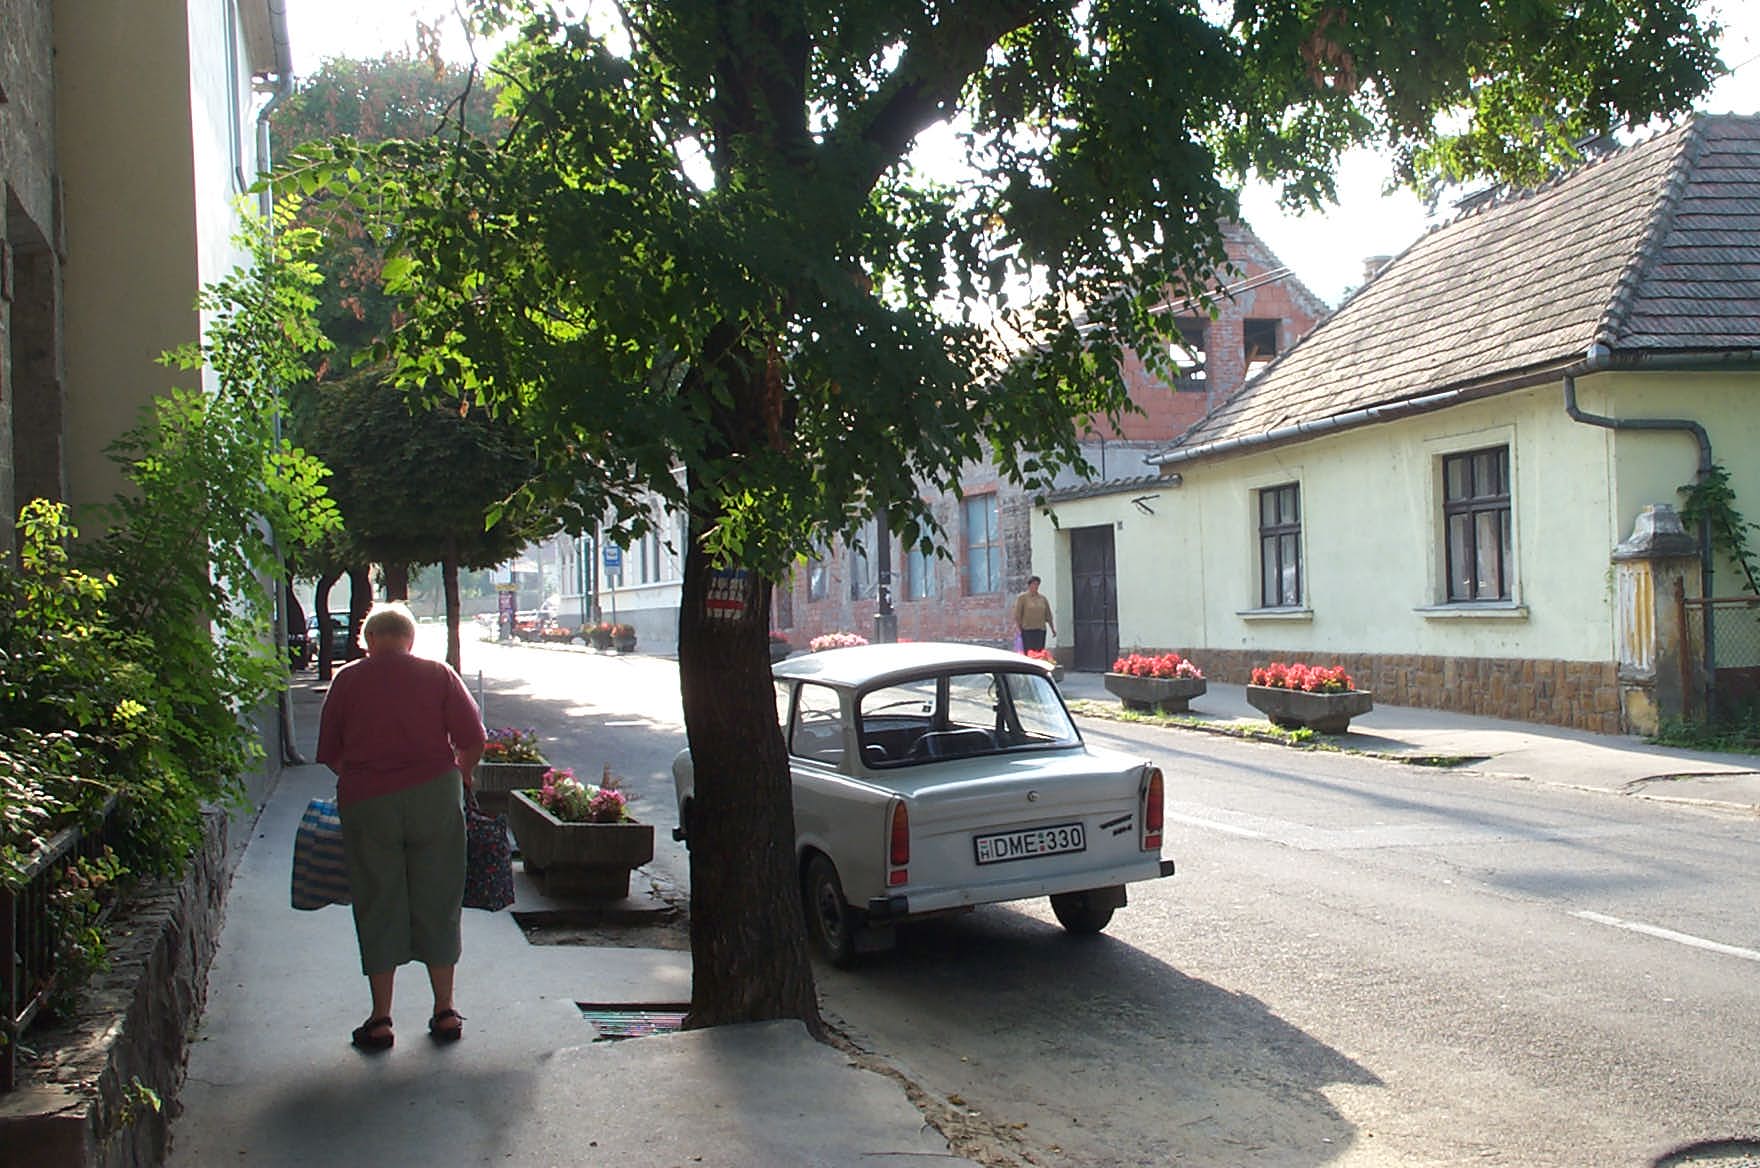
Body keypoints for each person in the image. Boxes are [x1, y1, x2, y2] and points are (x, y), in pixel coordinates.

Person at [315, 601, 486, 1051]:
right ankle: (445, 1010)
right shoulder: (438, 674)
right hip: (434, 796)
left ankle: (381, 1019)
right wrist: (460, 776)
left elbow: (331, 750)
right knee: (439, 896)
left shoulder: (347, 680)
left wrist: (362, 778)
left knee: (377, 898)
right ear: (410, 639)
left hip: (368, 802)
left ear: (368, 640)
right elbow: (472, 738)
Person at [1011, 575, 1056, 653]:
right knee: (1029, 652)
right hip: (1027, 630)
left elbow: (1048, 615)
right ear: (1029, 585)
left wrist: (1052, 629)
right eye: (1034, 584)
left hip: (1040, 630)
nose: (1036, 586)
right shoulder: (1022, 598)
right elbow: (1017, 614)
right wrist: (1019, 629)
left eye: (1037, 584)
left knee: (1039, 652)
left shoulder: (1042, 598)